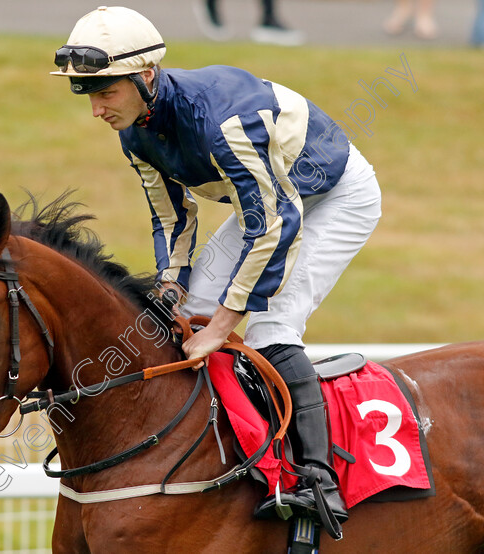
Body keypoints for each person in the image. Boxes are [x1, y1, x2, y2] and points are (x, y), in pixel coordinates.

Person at [51, 6, 382, 526]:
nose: (96, 109)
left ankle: (317, 477)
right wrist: (170, 289)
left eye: (105, 92)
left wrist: (226, 324)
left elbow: (274, 224)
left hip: (335, 197)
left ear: (145, 76)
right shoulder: (133, 130)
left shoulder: (225, 122)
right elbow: (172, 217)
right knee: (181, 320)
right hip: (272, 199)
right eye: (88, 94)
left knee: (273, 324)